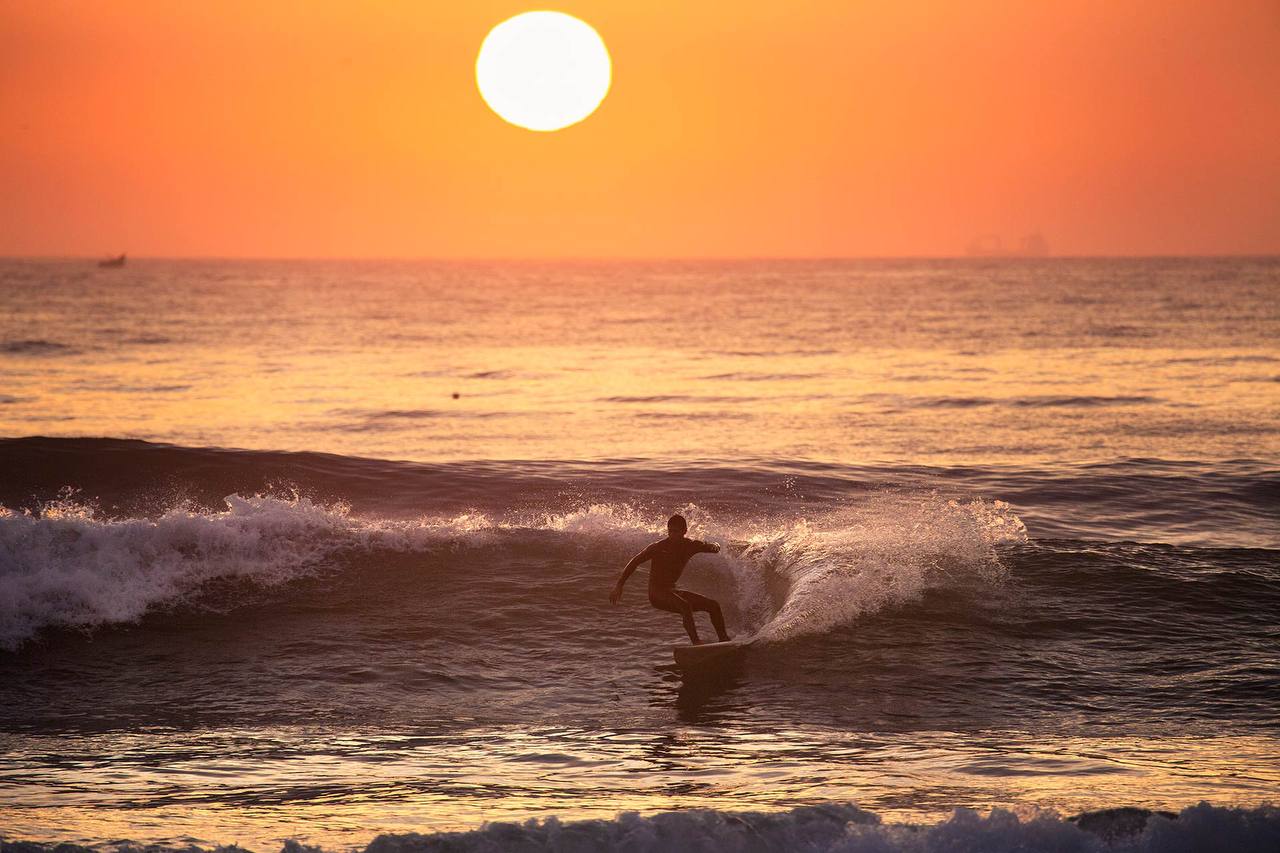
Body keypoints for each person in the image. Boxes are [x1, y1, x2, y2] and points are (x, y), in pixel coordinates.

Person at [609, 514, 729, 645]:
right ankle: (696, 643)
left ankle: (724, 640)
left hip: (672, 591)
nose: (672, 535)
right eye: (670, 531)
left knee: (713, 605)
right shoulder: (658, 547)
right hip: (656, 594)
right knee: (685, 605)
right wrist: (619, 585)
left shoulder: (691, 546)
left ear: (684, 531)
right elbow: (634, 562)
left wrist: (718, 544)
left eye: (675, 531)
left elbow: (713, 548)